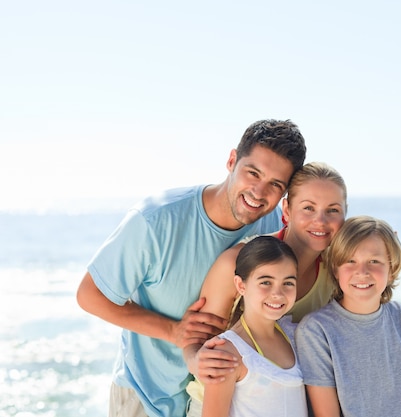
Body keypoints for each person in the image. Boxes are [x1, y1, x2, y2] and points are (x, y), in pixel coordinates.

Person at [75, 119, 307, 417]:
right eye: (253, 173)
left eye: (275, 185)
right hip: (148, 397)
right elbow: (89, 295)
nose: (259, 193)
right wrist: (174, 331)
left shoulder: (273, 226)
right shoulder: (155, 219)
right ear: (232, 160)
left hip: (213, 398)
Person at [185, 161, 347, 384]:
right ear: (287, 210)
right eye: (308, 208)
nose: (320, 221)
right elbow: (197, 340)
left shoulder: (339, 273)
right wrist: (195, 360)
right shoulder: (238, 262)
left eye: (333, 210)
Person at [295, 215, 401, 417]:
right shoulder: (316, 330)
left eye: (374, 261)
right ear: (335, 268)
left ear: (391, 269)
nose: (362, 272)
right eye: (350, 261)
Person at [186, 235, 308, 417]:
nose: (278, 293)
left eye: (288, 283)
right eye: (266, 282)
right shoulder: (228, 352)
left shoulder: (295, 336)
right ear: (241, 285)